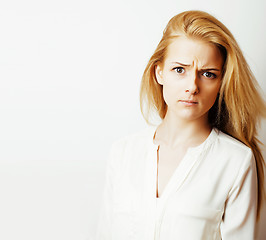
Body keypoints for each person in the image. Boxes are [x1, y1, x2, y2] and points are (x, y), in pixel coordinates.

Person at [96, 10, 266, 240]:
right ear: (159, 73)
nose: (192, 86)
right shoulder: (123, 153)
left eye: (208, 74)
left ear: (221, 83)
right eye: (179, 70)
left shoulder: (236, 161)